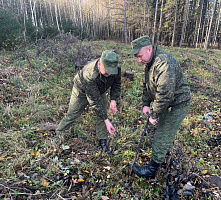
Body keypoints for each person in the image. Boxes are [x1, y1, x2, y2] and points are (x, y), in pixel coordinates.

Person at [128, 35, 191, 178]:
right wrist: (145, 104)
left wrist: (154, 114)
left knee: (162, 134)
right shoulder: (150, 61)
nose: (139, 60)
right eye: (136, 57)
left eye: (140, 56)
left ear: (149, 49)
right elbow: (147, 85)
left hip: (177, 104)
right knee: (162, 131)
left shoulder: (163, 63)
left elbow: (164, 94)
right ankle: (163, 154)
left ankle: (151, 170)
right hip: (166, 102)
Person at [55, 50, 121, 155]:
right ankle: (59, 134)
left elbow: (117, 83)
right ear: (100, 64)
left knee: (102, 112)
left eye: (111, 71)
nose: (109, 74)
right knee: (73, 113)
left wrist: (113, 99)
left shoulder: (115, 67)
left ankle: (102, 141)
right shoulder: (89, 74)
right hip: (81, 89)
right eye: (106, 71)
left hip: (100, 89)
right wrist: (107, 121)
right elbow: (95, 101)